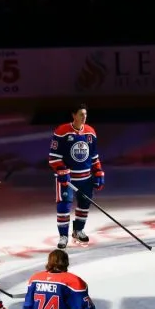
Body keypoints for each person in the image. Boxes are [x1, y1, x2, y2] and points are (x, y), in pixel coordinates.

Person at [50, 103, 103, 249]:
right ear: (73, 115)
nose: (84, 117)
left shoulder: (90, 132)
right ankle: (63, 236)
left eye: (85, 114)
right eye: (81, 114)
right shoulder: (62, 132)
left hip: (85, 178)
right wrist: (61, 171)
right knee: (64, 206)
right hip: (67, 179)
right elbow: (53, 157)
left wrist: (98, 172)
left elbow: (94, 156)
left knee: (84, 205)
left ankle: (78, 230)